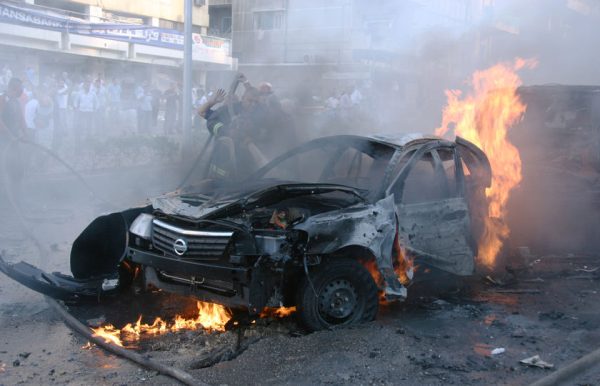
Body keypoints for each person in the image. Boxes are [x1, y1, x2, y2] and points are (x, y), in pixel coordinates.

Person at [0, 78, 28, 201]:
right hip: (4, 141)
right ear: (13, 87)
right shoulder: (2, 99)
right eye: (19, 88)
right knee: (3, 168)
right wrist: (10, 136)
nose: (21, 91)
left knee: (18, 167)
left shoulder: (16, 101)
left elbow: (21, 119)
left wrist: (26, 134)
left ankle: (18, 196)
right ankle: (4, 198)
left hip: (16, 140)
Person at [73, 78, 98, 147]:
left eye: (89, 84)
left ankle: (88, 137)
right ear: (84, 85)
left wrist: (95, 109)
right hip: (81, 111)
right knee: (81, 124)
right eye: (86, 84)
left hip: (90, 111)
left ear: (90, 85)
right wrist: (75, 108)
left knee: (89, 125)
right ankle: (80, 138)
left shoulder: (93, 93)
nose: (87, 85)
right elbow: (75, 101)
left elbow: (96, 102)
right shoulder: (80, 93)